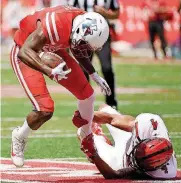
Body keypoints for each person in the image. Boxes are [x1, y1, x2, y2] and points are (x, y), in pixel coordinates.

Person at [11, 5, 111, 167]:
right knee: (45, 110)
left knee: (87, 95)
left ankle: (86, 137)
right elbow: (25, 51)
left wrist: (93, 73)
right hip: (26, 52)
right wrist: (49, 71)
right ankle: (19, 135)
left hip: (51, 49)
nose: (84, 50)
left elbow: (77, 45)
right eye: (85, 46)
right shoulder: (56, 24)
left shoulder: (81, 22)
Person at [73, 104, 177, 179]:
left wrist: (93, 154)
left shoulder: (162, 173)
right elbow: (112, 119)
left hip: (119, 161)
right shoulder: (148, 124)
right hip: (129, 139)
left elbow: (114, 175)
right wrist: (87, 117)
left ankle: (100, 138)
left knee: (81, 133)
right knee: (104, 108)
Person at [68, 0, 120, 109]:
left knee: (107, 68)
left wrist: (105, 12)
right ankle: (86, 102)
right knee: (83, 71)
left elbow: (117, 13)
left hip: (102, 36)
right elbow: (69, 12)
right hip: (84, 37)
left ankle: (111, 103)